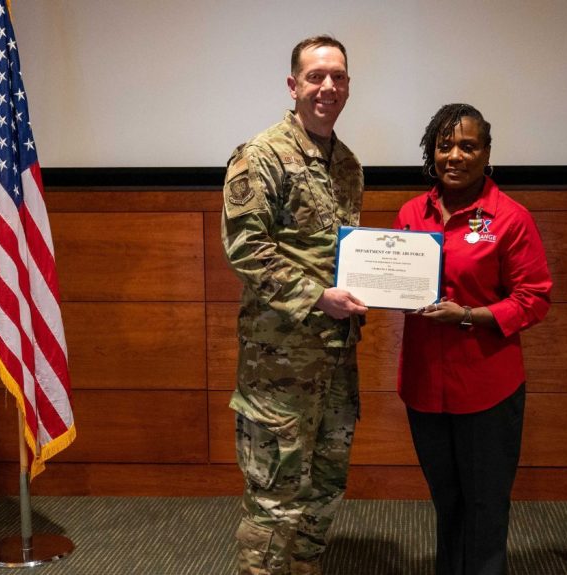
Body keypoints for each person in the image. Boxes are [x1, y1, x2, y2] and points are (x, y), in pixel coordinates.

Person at [221, 35, 367, 575]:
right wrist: (318, 298)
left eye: (338, 77)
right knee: (274, 495)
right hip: (278, 366)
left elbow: (346, 254)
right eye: (315, 76)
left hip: (335, 360)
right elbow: (247, 249)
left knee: (324, 487)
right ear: (293, 85)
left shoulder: (348, 165)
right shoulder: (260, 157)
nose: (327, 86)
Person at [393, 103, 553, 575]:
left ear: (486, 153)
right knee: (447, 502)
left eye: (468, 145)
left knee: (485, 506)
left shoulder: (511, 218)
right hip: (424, 387)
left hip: (487, 389)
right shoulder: (409, 213)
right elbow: (394, 278)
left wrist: (470, 315)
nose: (455, 156)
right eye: (445, 146)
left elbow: (535, 297)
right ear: (431, 152)